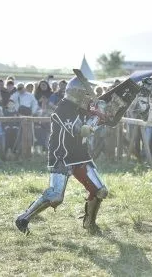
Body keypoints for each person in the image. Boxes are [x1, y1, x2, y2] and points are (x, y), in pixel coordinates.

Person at [15, 74, 108, 235]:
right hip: (61, 156)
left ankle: (90, 223)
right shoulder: (64, 108)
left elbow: (95, 122)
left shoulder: (83, 108)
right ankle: (23, 218)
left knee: (101, 191)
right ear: (78, 93)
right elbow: (83, 131)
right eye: (87, 93)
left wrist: (103, 113)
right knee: (56, 196)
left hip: (80, 156)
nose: (90, 96)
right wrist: (97, 118)